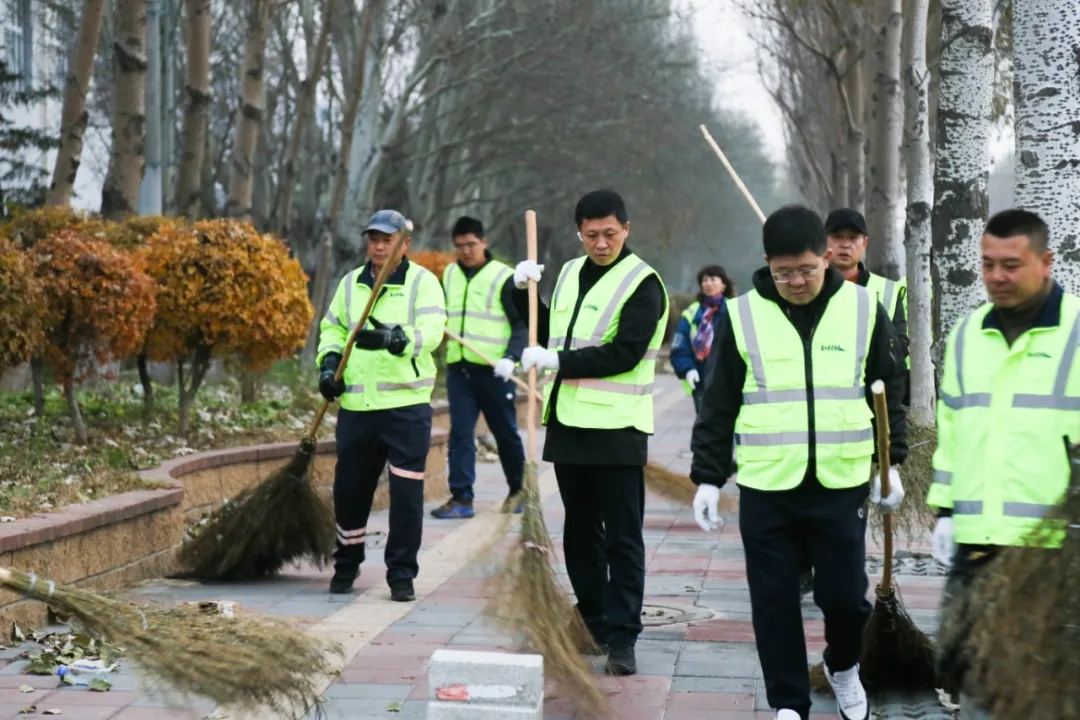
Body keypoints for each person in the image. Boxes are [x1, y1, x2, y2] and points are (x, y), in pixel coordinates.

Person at [689, 204, 908, 720]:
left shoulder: (862, 307)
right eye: (784, 271)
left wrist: (889, 462)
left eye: (807, 269)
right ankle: (788, 702)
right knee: (773, 601)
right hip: (768, 485)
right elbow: (719, 403)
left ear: (827, 257)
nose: (796, 281)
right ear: (767, 263)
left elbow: (888, 388)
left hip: (840, 479)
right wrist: (706, 477)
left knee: (845, 601)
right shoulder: (742, 315)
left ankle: (843, 666)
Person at [513, 189, 668, 677]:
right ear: (580, 232)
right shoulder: (569, 275)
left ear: (626, 229)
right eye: (591, 234)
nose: (601, 243)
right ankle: (595, 620)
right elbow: (545, 335)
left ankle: (623, 637)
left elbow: (624, 353)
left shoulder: (644, 283)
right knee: (580, 535)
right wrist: (521, 292)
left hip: (618, 432)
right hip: (569, 426)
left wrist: (556, 361)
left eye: (610, 234)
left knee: (622, 539)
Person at [929, 209, 1076, 719]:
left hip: (1056, 552)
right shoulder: (969, 335)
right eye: (988, 264)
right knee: (970, 681)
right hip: (978, 545)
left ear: (1047, 262)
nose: (996, 277)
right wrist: (944, 509)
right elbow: (953, 429)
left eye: (1011, 265)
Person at [316, 209, 447, 600]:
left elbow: (433, 331)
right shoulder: (351, 283)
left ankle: (401, 574)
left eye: (387, 239)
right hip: (357, 407)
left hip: (406, 407)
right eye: (373, 238)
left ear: (404, 244)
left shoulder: (422, 283)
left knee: (406, 496)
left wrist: (396, 339)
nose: (378, 245)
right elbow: (333, 327)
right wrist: (327, 366)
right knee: (350, 490)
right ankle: (347, 562)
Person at [432, 216, 528, 519]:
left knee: (505, 433)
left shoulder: (504, 277)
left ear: (484, 242)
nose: (466, 251)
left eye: (471, 244)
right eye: (459, 246)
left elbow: (521, 324)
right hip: (461, 369)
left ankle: (519, 492)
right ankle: (462, 498)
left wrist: (511, 358)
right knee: (460, 433)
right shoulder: (449, 274)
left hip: (495, 371)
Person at [670, 265, 736, 413]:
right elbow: (679, 347)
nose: (708, 283)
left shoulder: (734, 310)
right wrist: (688, 369)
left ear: (724, 284)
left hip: (729, 383)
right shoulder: (692, 313)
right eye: (705, 280)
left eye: (713, 279)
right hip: (701, 382)